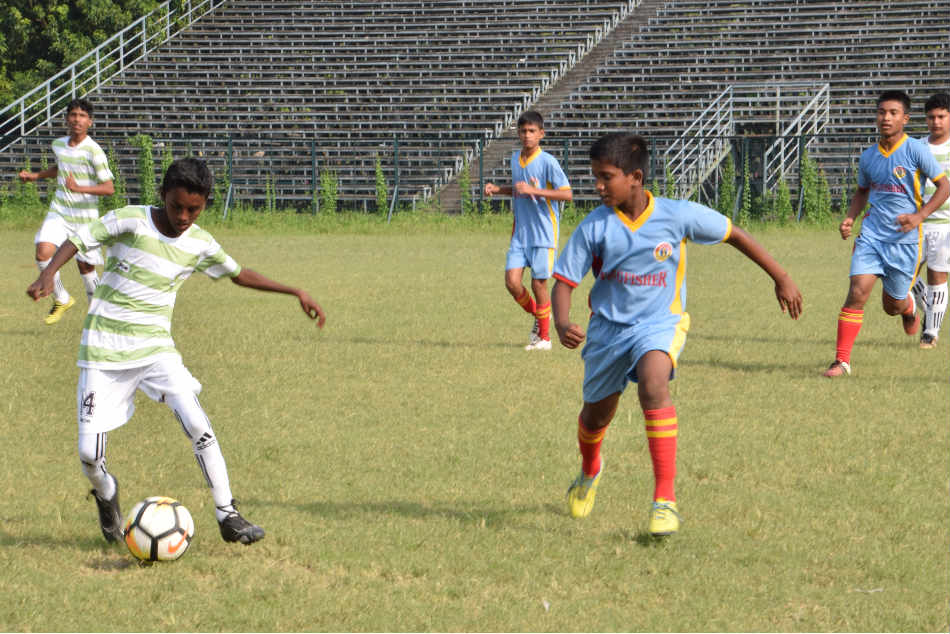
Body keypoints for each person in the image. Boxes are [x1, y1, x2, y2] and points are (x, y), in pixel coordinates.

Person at [26, 157, 326, 545]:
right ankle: (106, 493)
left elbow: (238, 273)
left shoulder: (200, 244)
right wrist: (48, 273)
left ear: (204, 205)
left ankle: (228, 514)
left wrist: (295, 291)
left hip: (156, 351)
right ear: (163, 195)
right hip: (103, 351)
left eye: (193, 209)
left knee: (198, 423)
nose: (184, 216)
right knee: (89, 455)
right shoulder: (132, 220)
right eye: (177, 206)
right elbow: (78, 240)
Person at [552, 133, 802, 537]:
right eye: (595, 176)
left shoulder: (677, 215)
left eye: (606, 177)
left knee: (654, 384)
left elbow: (734, 234)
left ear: (635, 177)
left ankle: (664, 501)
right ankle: (589, 468)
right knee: (596, 415)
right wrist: (563, 324)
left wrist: (782, 277)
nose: (597, 186)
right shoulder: (595, 225)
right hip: (607, 330)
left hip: (659, 324)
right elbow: (563, 281)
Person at [823, 90, 949, 377]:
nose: (886, 118)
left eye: (893, 113)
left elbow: (944, 186)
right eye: (881, 112)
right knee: (857, 291)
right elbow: (862, 190)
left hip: (904, 242)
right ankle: (841, 361)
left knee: (891, 305)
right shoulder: (868, 156)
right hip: (872, 236)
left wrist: (919, 216)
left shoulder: (916, 150)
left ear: (904, 118)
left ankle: (908, 308)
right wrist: (850, 217)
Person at [19, 98, 115, 324]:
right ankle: (61, 298)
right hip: (60, 211)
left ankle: (99, 316)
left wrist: (78, 188)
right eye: (73, 115)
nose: (77, 120)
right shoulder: (59, 145)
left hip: (85, 217)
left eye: (82, 116)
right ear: (66, 119)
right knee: (43, 252)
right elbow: (60, 168)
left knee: (86, 266)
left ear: (89, 122)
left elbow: (109, 188)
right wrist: (36, 176)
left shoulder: (94, 151)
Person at [484, 110, 572, 350]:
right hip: (520, 233)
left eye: (532, 131)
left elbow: (567, 194)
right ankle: (541, 317)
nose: (527, 135)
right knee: (512, 282)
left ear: (541, 134)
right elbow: (519, 189)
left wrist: (537, 191)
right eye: (523, 131)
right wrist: (498, 189)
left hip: (544, 233)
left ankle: (544, 338)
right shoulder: (515, 159)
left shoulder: (548, 162)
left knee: (538, 284)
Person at [910, 93, 950, 349]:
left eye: (941, 116)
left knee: (938, 276)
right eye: (931, 117)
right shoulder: (916, 147)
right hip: (916, 223)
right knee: (902, 277)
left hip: (944, 224)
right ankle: (929, 308)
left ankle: (930, 333)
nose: (936, 122)